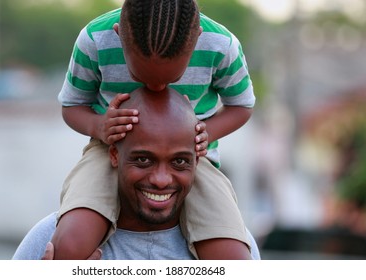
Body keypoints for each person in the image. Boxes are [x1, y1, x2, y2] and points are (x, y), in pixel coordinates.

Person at [54, 0, 255, 259]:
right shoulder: (94, 39)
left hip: (191, 158)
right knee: (71, 244)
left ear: (197, 41)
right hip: (109, 149)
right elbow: (72, 105)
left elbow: (242, 105)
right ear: (119, 36)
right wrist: (99, 125)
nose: (157, 89)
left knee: (232, 256)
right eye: (141, 77)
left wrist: (206, 132)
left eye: (172, 79)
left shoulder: (221, 45)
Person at [13, 87, 260, 260]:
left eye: (179, 162)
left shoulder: (235, 244)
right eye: (143, 160)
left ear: (198, 160)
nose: (161, 179)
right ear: (113, 155)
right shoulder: (51, 240)